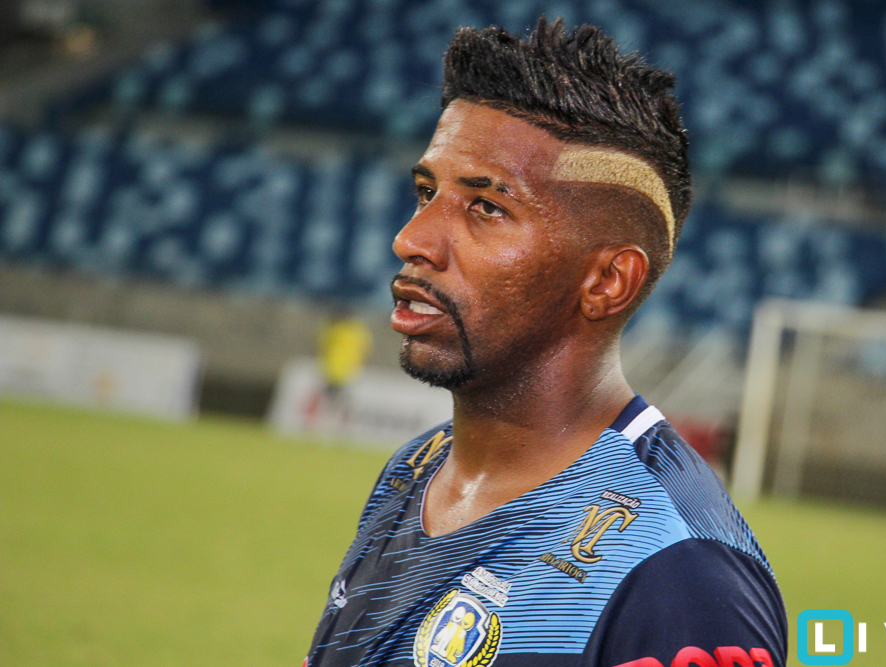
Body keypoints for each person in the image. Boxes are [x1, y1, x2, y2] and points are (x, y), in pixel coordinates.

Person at [306, 18, 787, 667]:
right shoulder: (414, 469)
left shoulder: (678, 572)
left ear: (606, 281)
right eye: (426, 192)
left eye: (486, 207)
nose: (411, 239)